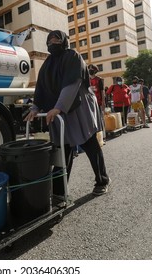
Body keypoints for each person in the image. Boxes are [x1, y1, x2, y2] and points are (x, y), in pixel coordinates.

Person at [24, 30, 111, 196]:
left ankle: (102, 180)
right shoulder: (48, 63)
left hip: (78, 107)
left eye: (56, 40)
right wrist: (35, 108)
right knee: (62, 151)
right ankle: (59, 192)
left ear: (64, 41)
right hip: (59, 110)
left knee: (90, 144)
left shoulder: (73, 56)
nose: (52, 43)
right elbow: (41, 88)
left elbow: (73, 83)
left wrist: (59, 106)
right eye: (49, 41)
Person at [88, 64, 106, 144]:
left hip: (98, 102)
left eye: (91, 69)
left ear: (95, 70)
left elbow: (102, 91)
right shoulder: (86, 79)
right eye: (89, 68)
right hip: (89, 103)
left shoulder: (99, 80)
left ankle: (103, 137)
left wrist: (103, 102)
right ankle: (94, 138)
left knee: (100, 120)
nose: (90, 70)